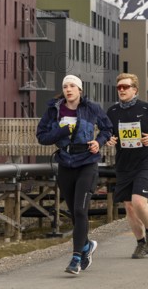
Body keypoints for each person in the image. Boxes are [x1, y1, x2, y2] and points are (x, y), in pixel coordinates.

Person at [36, 75, 113, 275]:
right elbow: (42, 137)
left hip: (87, 162)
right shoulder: (54, 110)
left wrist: (99, 142)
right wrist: (61, 131)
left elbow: (107, 129)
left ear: (80, 89)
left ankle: (76, 257)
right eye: (65, 86)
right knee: (73, 212)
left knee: (80, 210)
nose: (68, 89)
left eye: (72, 86)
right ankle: (87, 245)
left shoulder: (91, 108)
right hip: (65, 164)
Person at [106, 73, 148, 259]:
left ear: (135, 89)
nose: (122, 90)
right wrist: (109, 139)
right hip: (124, 164)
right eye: (119, 87)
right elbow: (108, 133)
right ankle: (141, 243)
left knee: (138, 201)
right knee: (129, 207)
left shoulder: (147, 108)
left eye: (126, 87)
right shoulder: (112, 112)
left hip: (145, 162)